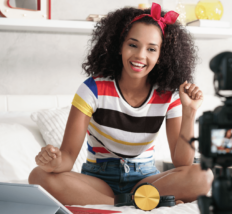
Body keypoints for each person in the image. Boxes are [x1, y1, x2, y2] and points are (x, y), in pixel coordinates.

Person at [28, 3, 213, 206]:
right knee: (38, 176)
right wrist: (53, 162)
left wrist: (189, 112)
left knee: (203, 175)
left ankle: (129, 202)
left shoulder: (169, 95)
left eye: (151, 49)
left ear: (161, 56)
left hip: (146, 181)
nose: (140, 55)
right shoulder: (92, 89)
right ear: (119, 46)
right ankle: (137, 205)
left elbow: (182, 164)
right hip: (98, 180)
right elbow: (68, 157)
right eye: (133, 45)